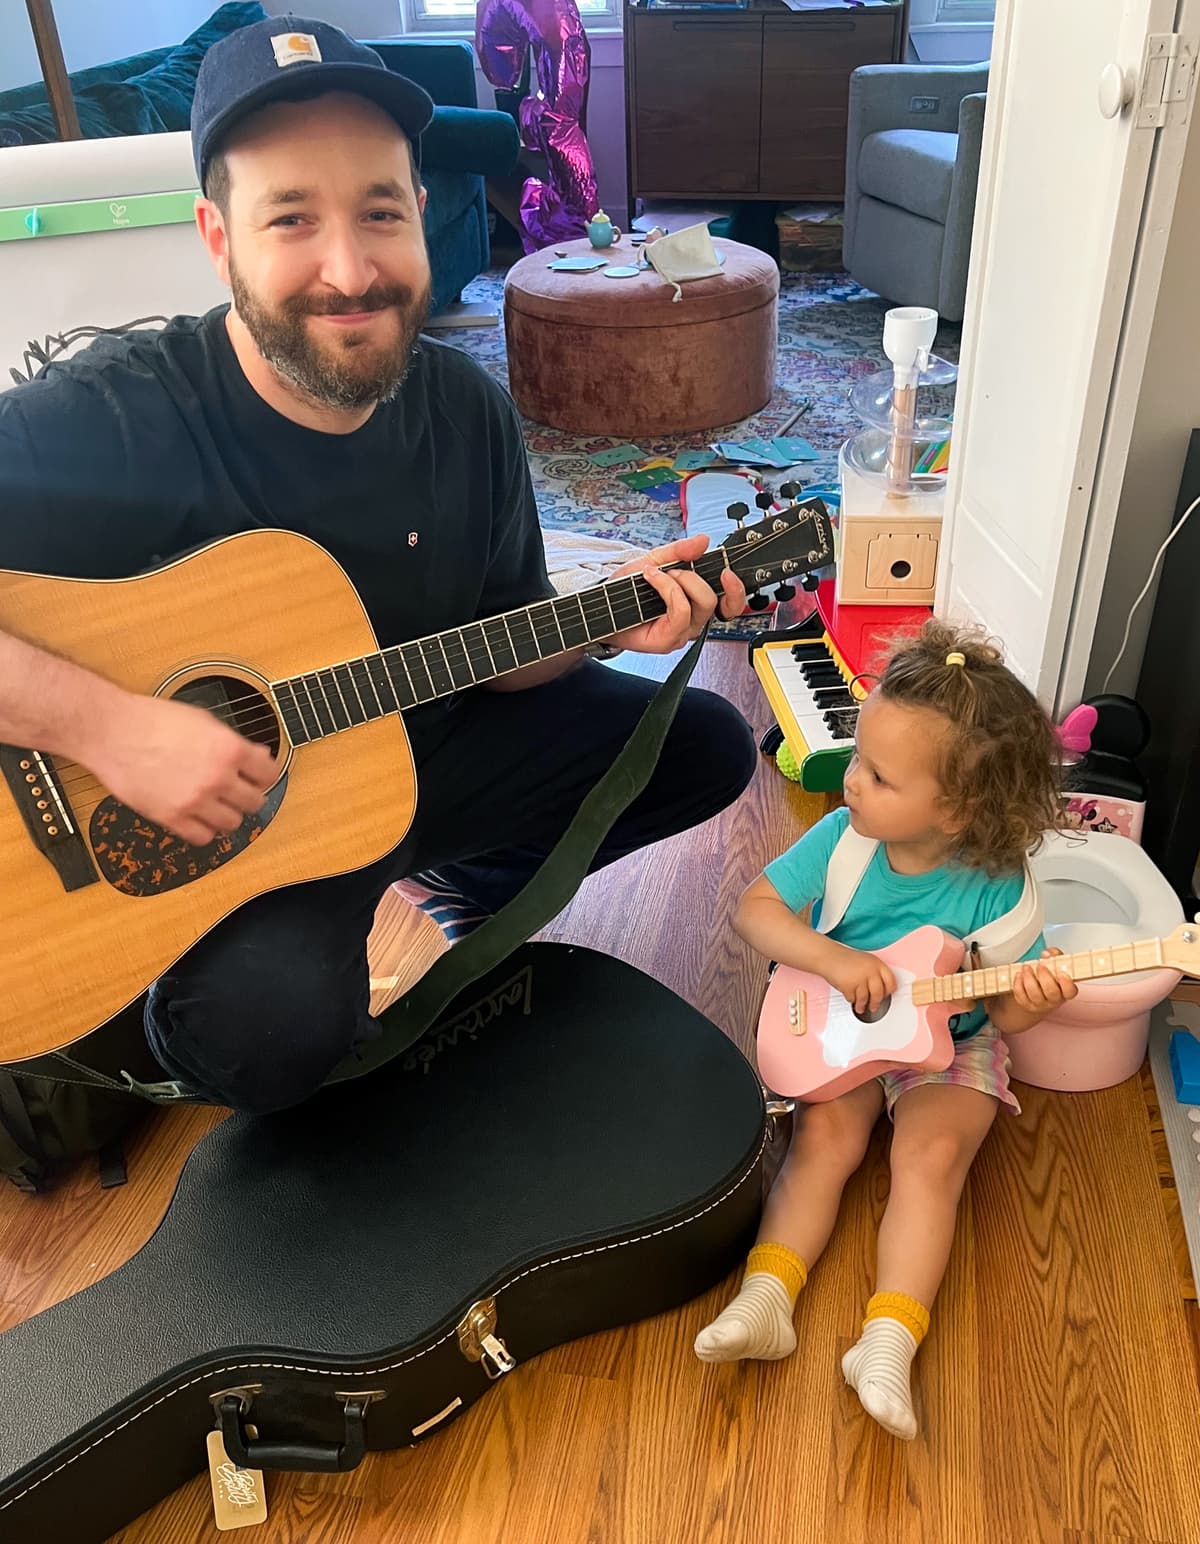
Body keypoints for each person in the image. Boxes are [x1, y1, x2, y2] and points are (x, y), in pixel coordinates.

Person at [0, 17, 755, 1113]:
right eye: (292, 218)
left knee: (700, 746)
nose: (348, 270)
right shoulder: (118, 415)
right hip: (253, 831)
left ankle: (464, 888)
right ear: (218, 239)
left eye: (380, 212)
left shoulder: (466, 409)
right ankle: (146, 977)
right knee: (267, 1036)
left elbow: (501, 650)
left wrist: (606, 619)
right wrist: (109, 727)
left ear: (423, 217)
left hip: (421, 759)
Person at [694, 621, 1077, 1441]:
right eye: (856, 756)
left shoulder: (1001, 889)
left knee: (929, 1161)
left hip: (953, 1040)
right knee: (823, 1146)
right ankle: (767, 1297)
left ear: (959, 807)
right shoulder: (842, 844)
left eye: (876, 774)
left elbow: (1003, 1011)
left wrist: (1030, 1003)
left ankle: (888, 1341)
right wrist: (833, 961)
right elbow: (756, 910)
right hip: (842, 1032)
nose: (850, 781)